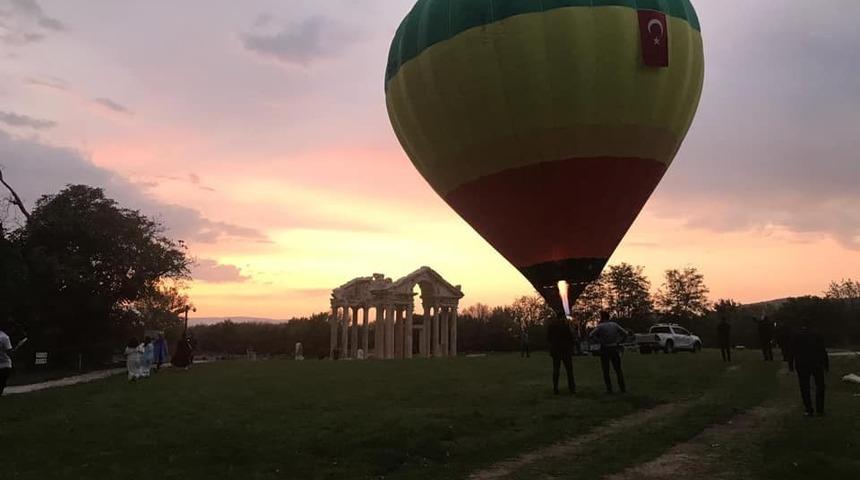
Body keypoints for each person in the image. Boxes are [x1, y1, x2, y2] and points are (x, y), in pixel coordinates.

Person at [788, 321, 829, 417]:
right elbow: (822, 350)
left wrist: (791, 364)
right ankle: (820, 409)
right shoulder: (817, 335)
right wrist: (826, 364)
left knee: (804, 387)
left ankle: (809, 409)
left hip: (802, 364)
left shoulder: (797, 336)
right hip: (816, 363)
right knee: (820, 386)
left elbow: (791, 351)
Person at [589, 311, 627, 394]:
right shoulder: (614, 325)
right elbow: (625, 333)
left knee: (606, 370)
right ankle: (622, 388)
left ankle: (609, 389)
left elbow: (591, 335)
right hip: (614, 347)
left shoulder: (600, 326)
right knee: (618, 369)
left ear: (602, 317)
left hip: (605, 348)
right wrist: (620, 342)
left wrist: (599, 341)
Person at [546, 314, 576, 395]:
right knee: (569, 370)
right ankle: (572, 387)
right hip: (565, 350)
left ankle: (555, 388)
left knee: (556, 370)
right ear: (562, 318)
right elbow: (570, 338)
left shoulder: (551, 326)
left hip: (556, 350)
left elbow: (548, 338)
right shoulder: (565, 326)